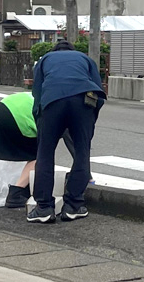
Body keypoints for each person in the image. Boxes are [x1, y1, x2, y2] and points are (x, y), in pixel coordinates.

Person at [27, 39, 106, 224]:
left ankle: (44, 208)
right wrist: (91, 117)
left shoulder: (45, 59)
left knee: (45, 153)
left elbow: (37, 92)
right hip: (83, 102)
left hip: (52, 102)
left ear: (55, 50)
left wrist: (40, 119)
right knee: (82, 152)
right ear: (73, 50)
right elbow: (98, 89)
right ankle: (74, 206)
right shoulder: (85, 59)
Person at [0, 92, 78, 209]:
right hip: (18, 116)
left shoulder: (58, 97)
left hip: (5, 106)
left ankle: (24, 188)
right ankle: (16, 194)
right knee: (39, 156)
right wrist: (83, 171)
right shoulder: (68, 114)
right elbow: (74, 145)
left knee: (31, 151)